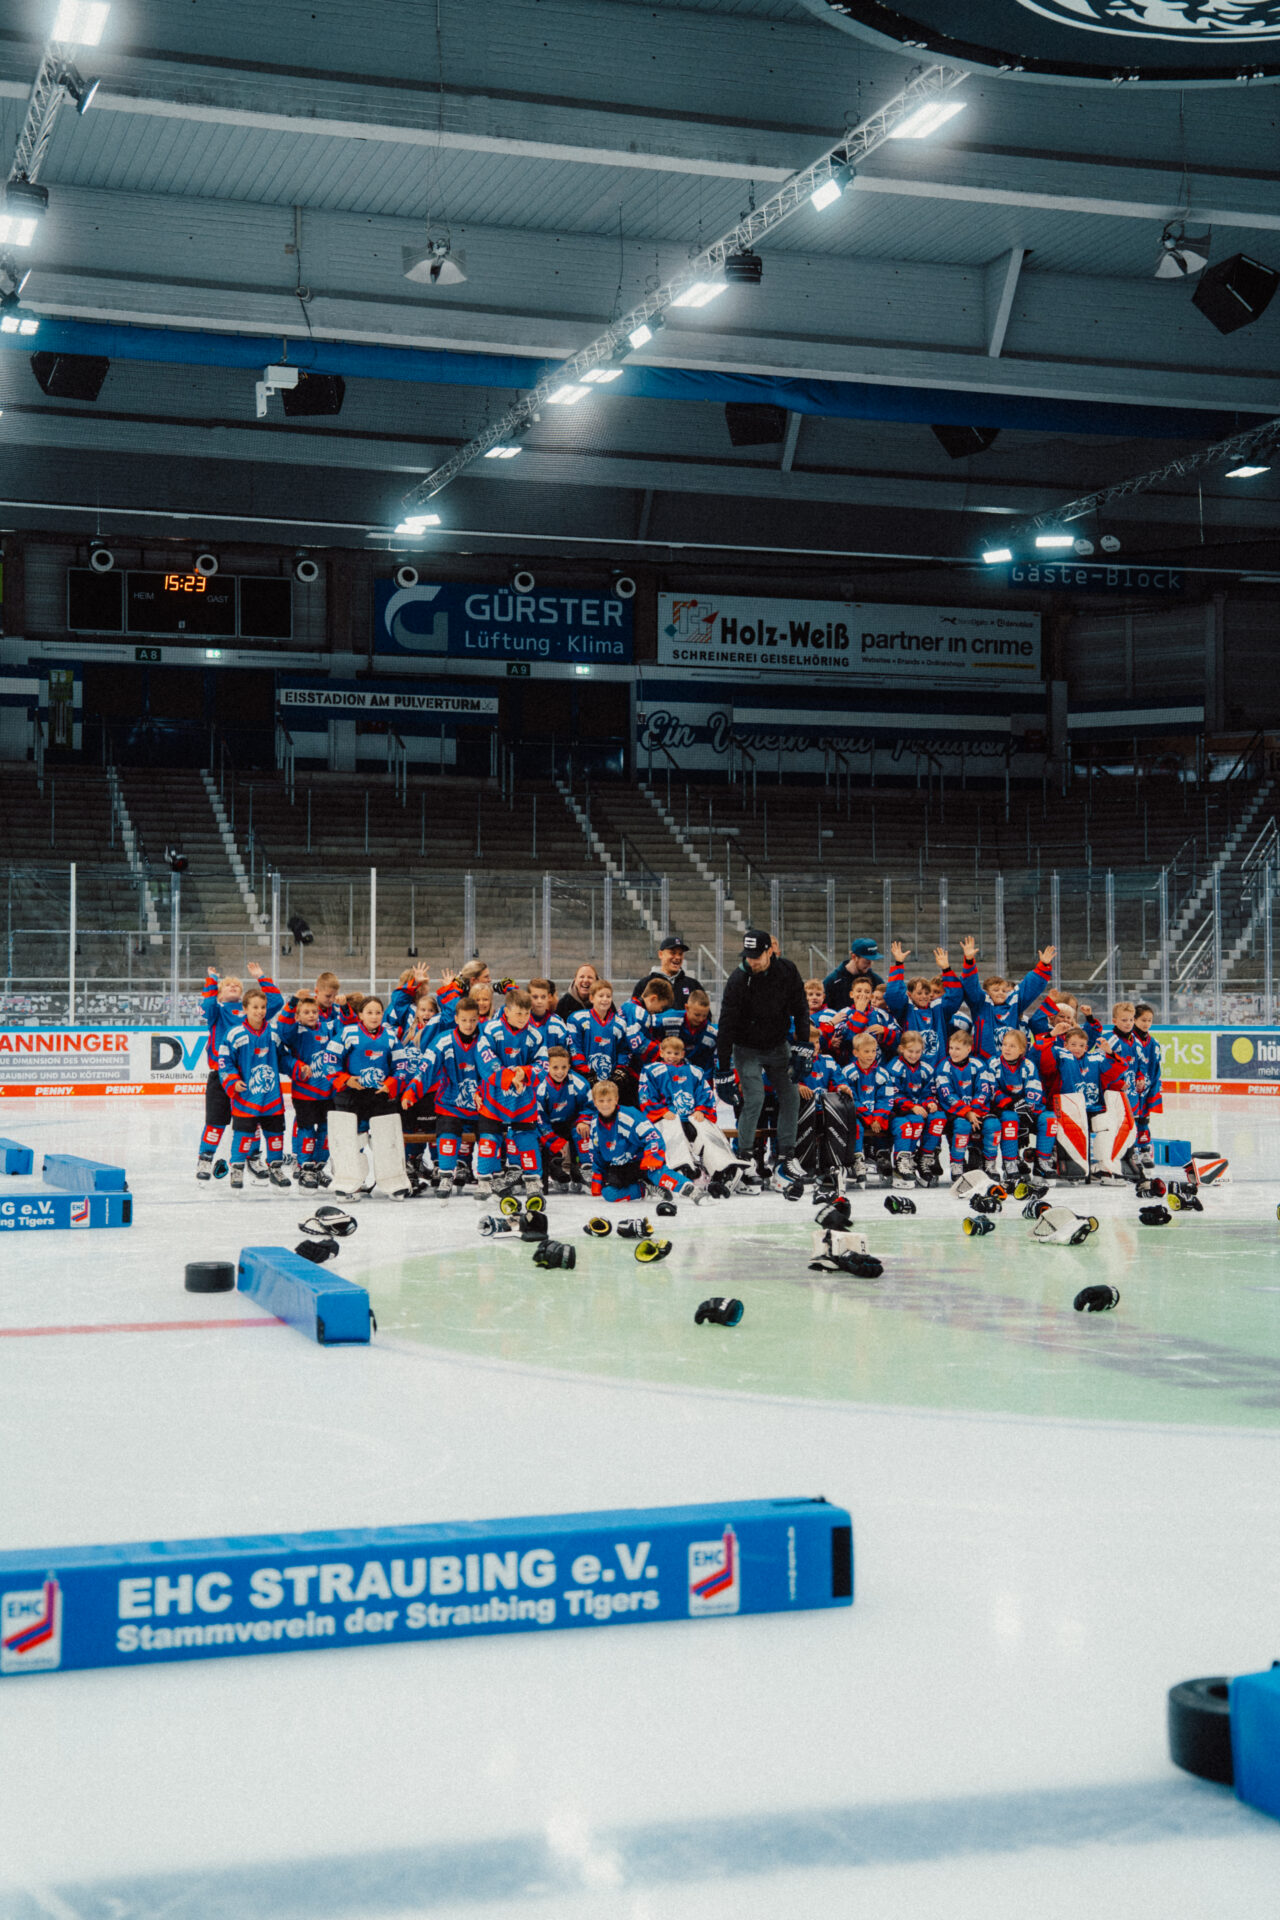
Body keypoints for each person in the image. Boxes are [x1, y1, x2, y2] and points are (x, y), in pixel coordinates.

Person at [715, 926, 810, 1189]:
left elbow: (801, 1008)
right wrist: (723, 1068)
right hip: (746, 1048)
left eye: (757, 956)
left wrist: (803, 1046)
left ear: (770, 951)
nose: (752, 961)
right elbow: (726, 1026)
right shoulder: (738, 980)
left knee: (791, 1096)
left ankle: (785, 1157)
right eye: (748, 956)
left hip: (778, 1045)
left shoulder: (787, 971)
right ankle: (745, 1158)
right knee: (754, 1098)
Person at [196, 962, 282, 1181]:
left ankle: (253, 1157)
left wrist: (261, 977)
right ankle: (205, 1158)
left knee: (251, 1121)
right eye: (228, 985)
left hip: (248, 1078)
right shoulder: (217, 1011)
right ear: (219, 993)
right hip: (222, 1075)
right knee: (216, 1121)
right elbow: (207, 1005)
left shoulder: (252, 1013)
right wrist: (212, 981)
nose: (233, 986)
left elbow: (276, 1002)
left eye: (237, 985)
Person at [325, 994, 413, 1199]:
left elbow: (402, 1065)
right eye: (369, 1012)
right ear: (360, 1015)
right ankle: (349, 1182)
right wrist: (346, 1079)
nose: (374, 1016)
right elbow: (330, 1059)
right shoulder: (347, 1033)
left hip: (380, 1096)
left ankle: (394, 1182)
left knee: (386, 1138)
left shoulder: (390, 1036)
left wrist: (391, 1084)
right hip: (351, 1095)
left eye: (378, 1012)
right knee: (350, 1140)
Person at [638, 1032, 745, 1194]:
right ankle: (681, 1168)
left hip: (691, 1116)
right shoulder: (651, 1070)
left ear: (683, 1054)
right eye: (668, 1053)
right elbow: (645, 1095)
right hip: (667, 1117)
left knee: (707, 1129)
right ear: (661, 1052)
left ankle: (724, 1168)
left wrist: (702, 1110)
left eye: (676, 1053)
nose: (672, 1057)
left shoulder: (695, 1071)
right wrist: (661, 1111)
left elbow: (705, 1093)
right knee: (672, 1129)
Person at [217, 985, 291, 1190]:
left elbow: (284, 1058)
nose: (260, 1011)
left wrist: (297, 1067)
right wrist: (233, 1081)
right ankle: (237, 1168)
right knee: (243, 1135)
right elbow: (224, 1062)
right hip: (246, 1097)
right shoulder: (235, 1034)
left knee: (275, 1134)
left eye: (263, 1007)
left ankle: (275, 1168)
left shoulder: (274, 1033)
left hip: (272, 1097)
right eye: (255, 1007)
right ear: (245, 1009)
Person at [977, 1029, 1056, 1183]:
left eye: (1012, 1046)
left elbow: (1034, 1088)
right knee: (1010, 1118)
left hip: (1025, 1107)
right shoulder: (993, 1063)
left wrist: (1027, 1105)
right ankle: (1010, 1163)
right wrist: (1010, 1102)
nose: (1006, 1048)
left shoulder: (1028, 1065)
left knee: (1049, 1118)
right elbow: (990, 1088)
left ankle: (1042, 1162)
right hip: (1003, 1109)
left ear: (1021, 1050)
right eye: (1005, 1044)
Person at [276, 992, 337, 1189]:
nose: (311, 1015)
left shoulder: (327, 1028)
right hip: (305, 1093)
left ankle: (318, 1167)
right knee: (307, 1129)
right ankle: (305, 1167)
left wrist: (344, 1008)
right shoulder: (296, 1032)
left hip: (327, 1092)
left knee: (326, 1131)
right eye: (306, 1012)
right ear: (298, 1015)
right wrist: (293, 1002)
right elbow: (283, 1028)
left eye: (314, 1012)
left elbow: (345, 1028)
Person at [959, 938, 1054, 1060]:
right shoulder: (981, 1005)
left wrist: (1043, 966)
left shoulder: (1013, 1004)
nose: (1000, 993)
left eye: (1004, 991)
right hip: (984, 1061)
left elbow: (1028, 987)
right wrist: (969, 961)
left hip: (1010, 1061)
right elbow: (971, 986)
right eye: (995, 990)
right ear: (986, 992)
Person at [883, 943, 963, 1065]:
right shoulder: (906, 1008)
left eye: (927, 993)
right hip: (912, 1064)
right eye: (919, 993)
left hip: (937, 1065)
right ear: (909, 994)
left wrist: (946, 969)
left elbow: (956, 996)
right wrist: (899, 964)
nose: (924, 996)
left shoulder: (938, 1008)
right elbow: (892, 994)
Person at [536, 1046, 593, 1191]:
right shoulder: (540, 1085)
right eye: (555, 1067)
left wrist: (583, 1121)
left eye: (564, 1067)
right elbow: (539, 1117)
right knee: (535, 1138)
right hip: (548, 1126)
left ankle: (584, 1169)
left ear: (569, 1066)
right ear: (547, 1066)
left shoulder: (579, 1082)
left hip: (570, 1122)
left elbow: (589, 1105)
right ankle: (553, 1171)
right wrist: (554, 1140)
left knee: (583, 1130)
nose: (560, 1072)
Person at [567, 978, 634, 1085]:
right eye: (601, 996)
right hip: (584, 1079)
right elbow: (575, 1047)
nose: (605, 999)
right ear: (591, 998)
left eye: (608, 996)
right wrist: (584, 1070)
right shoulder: (578, 1018)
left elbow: (623, 1050)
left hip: (609, 1080)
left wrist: (620, 1069)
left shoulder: (620, 1023)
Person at [633, 935, 703, 1009]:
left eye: (680, 954)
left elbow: (705, 1013)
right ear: (660, 954)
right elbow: (634, 1011)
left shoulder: (693, 985)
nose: (678, 957)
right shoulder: (645, 984)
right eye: (673, 953)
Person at [822, 938, 883, 1013]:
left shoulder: (876, 981)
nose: (870, 965)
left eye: (872, 961)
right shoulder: (832, 981)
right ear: (854, 957)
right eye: (867, 961)